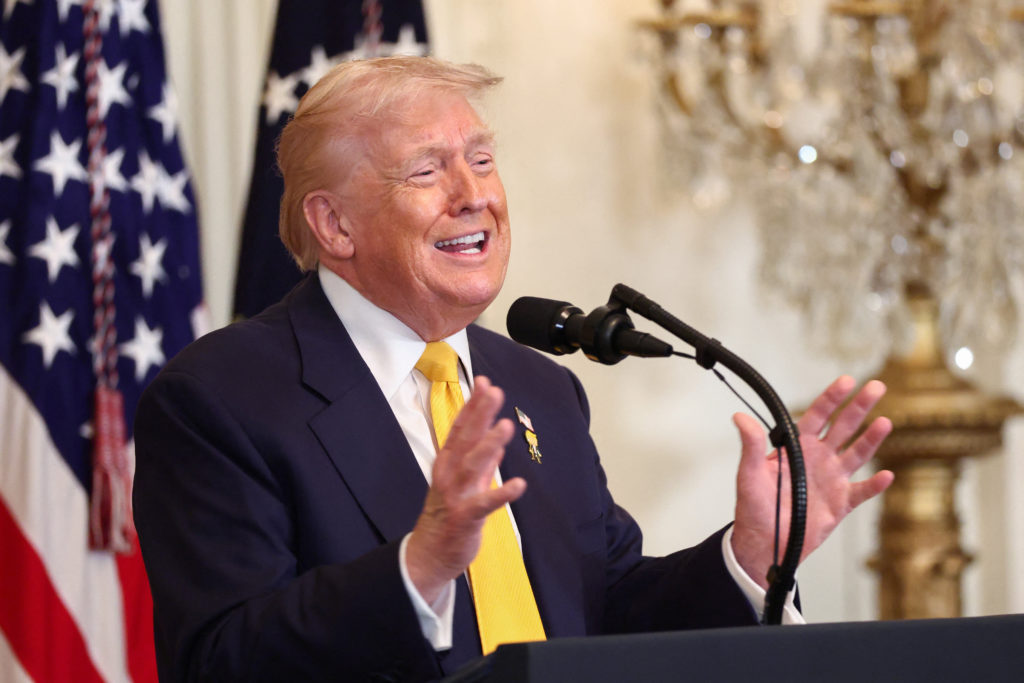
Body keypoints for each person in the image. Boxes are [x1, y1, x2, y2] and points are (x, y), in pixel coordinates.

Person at [133, 56, 894, 682]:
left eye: (483, 160)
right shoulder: (220, 398)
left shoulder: (538, 386)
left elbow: (608, 611)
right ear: (334, 225)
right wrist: (416, 569)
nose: (475, 197)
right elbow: (221, 661)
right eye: (427, 171)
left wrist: (751, 554)